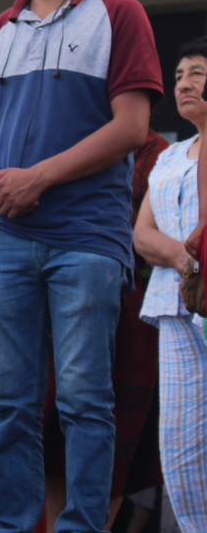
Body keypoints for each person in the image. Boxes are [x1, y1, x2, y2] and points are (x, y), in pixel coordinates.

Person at [0, 0, 163, 533]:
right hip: (3, 237)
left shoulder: (119, 13)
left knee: (83, 398)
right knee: (10, 403)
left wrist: (37, 177)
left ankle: (81, 526)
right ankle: (14, 526)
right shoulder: (3, 25)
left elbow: (132, 127)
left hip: (86, 237)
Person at [134, 37, 207, 533]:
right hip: (175, 305)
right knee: (179, 444)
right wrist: (188, 262)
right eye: (179, 76)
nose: (184, 83)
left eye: (198, 73)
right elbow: (141, 234)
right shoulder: (171, 155)